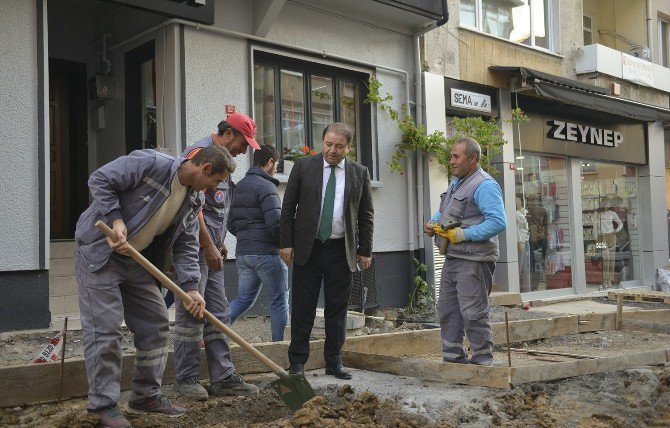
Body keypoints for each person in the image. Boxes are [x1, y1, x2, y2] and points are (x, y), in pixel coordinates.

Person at [74, 145, 235, 427]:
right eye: (216, 181)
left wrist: (191, 287)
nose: (214, 188)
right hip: (100, 254)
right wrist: (116, 219)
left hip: (137, 260)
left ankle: (145, 396)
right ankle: (102, 406)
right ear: (205, 168)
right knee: (106, 329)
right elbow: (100, 179)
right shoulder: (151, 164)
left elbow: (186, 243)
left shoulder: (193, 199)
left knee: (156, 324)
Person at [172, 112, 261, 401]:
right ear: (228, 134)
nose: (244, 150)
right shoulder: (198, 154)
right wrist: (208, 244)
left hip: (211, 250)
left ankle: (222, 377)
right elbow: (191, 205)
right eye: (243, 143)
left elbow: (215, 209)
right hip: (193, 250)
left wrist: (217, 243)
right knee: (192, 313)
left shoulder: (224, 160)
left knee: (219, 313)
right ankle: (185, 379)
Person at [280, 122, 374, 380]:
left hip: (340, 251)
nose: (332, 150)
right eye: (328, 144)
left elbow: (366, 215)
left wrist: (364, 250)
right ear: (322, 143)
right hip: (308, 250)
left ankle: (334, 362)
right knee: (303, 309)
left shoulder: (359, 173)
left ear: (348, 147)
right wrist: (286, 243)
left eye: (339, 146)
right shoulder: (304, 166)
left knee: (337, 310)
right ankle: (297, 363)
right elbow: (288, 208)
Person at [424, 137, 506, 366]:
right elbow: (446, 212)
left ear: (473, 159)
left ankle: (482, 362)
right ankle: (453, 359)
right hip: (454, 258)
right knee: (447, 309)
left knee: (473, 312)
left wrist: (464, 235)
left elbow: (498, 222)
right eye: (451, 156)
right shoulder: (457, 183)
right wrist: (433, 222)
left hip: (474, 260)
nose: (451, 161)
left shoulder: (485, 185)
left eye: (456, 156)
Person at [227, 145, 288, 341]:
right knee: (279, 299)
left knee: (243, 299)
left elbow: (230, 223)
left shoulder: (241, 185)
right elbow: (275, 223)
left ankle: (213, 334)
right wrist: (284, 245)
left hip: (244, 253)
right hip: (266, 253)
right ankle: (278, 347)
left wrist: (246, 236)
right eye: (276, 164)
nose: (275, 168)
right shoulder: (267, 186)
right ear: (270, 162)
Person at [597, 203, 623, 290]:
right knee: (605, 258)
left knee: (612, 259)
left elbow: (620, 223)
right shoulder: (599, 214)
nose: (606, 204)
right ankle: (605, 280)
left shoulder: (612, 213)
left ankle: (610, 280)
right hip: (602, 236)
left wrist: (616, 230)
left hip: (612, 235)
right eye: (605, 202)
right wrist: (596, 239)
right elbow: (596, 227)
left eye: (608, 202)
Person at [516, 197, 531, 293]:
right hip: (521, 241)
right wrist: (520, 241)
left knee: (525, 268)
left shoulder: (522, 212)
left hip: (525, 241)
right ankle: (521, 290)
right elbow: (518, 229)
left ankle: (526, 290)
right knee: (520, 267)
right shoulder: (516, 214)